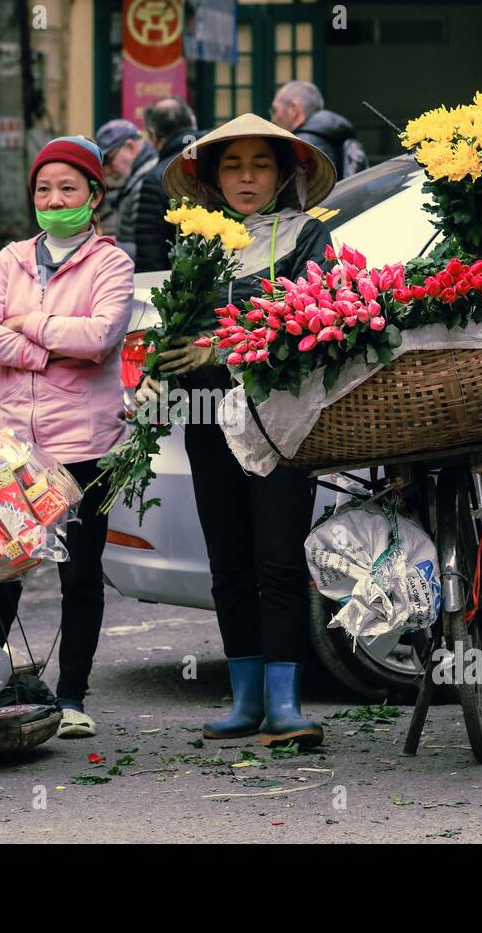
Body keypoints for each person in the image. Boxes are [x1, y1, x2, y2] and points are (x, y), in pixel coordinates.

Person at [139, 113, 336, 748]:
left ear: (284, 174)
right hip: (208, 422)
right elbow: (177, 329)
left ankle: (286, 703)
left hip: (279, 423)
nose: (246, 177)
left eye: (260, 164)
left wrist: (220, 349)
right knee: (228, 560)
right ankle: (245, 700)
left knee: (278, 559)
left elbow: (317, 324)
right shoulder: (199, 243)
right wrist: (156, 374)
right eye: (232, 164)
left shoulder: (307, 238)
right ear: (211, 177)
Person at [0, 135, 134, 740]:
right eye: (44, 188)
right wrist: (47, 350)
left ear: (94, 195)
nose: (55, 198)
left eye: (68, 188)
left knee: (79, 575)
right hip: (11, 445)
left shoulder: (112, 263)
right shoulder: (9, 259)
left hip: (85, 446)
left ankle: (71, 697)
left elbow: (98, 339)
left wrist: (26, 325)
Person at [132, 97, 198, 272]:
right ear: (192, 122)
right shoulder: (217, 162)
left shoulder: (156, 178)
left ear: (153, 136)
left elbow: (150, 255)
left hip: (180, 283)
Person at [269, 80, 367, 181]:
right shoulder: (340, 136)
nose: (272, 119)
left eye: (275, 110)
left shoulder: (300, 144)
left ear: (293, 109)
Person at [95, 118, 158, 262]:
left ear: (131, 148)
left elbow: (149, 250)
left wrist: (106, 246)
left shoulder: (146, 184)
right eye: (102, 164)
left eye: (109, 160)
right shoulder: (136, 180)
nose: (106, 170)